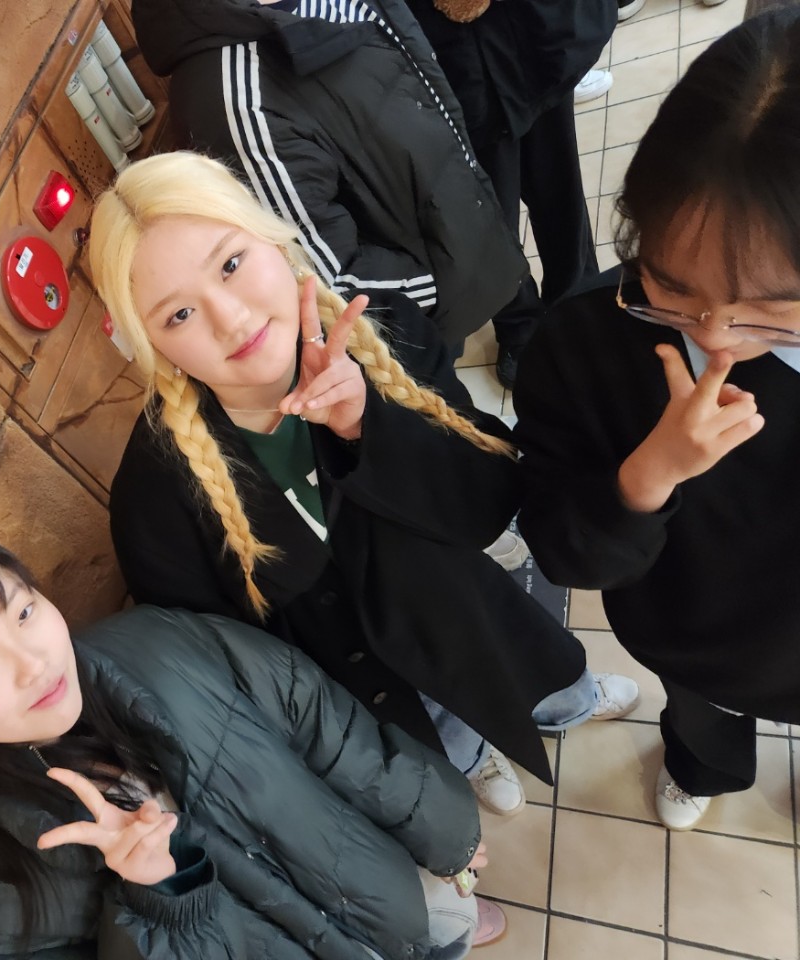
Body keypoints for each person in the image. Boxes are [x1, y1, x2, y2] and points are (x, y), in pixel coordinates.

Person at [93, 151, 639, 827]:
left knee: (546, 678)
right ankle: (477, 762)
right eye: (178, 314)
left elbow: (492, 497)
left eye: (231, 263)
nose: (230, 319)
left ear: (272, 238)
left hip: (469, 618)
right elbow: (230, 666)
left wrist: (364, 424)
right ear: (149, 346)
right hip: (372, 691)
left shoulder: (382, 331)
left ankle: (573, 703)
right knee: (449, 743)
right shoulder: (154, 496)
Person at [0, 529, 487, 959]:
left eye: (22, 612)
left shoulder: (162, 643)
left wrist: (449, 834)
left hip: (399, 909)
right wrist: (159, 895)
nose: (32, 662)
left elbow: (332, 730)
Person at [513, 9, 800, 831]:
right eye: (672, 285)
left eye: (768, 310)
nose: (715, 336)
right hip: (694, 637)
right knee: (703, 727)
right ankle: (700, 768)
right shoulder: (586, 342)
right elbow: (563, 551)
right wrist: (650, 475)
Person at [129, 0, 529, 379]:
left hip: (461, 222)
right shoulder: (232, 96)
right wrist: (452, 276)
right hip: (423, 315)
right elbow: (325, 274)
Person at [400, 0, 615, 387]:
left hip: (529, 37)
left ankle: (577, 296)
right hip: (445, 54)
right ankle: (518, 321)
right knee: (487, 210)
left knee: (559, 185)